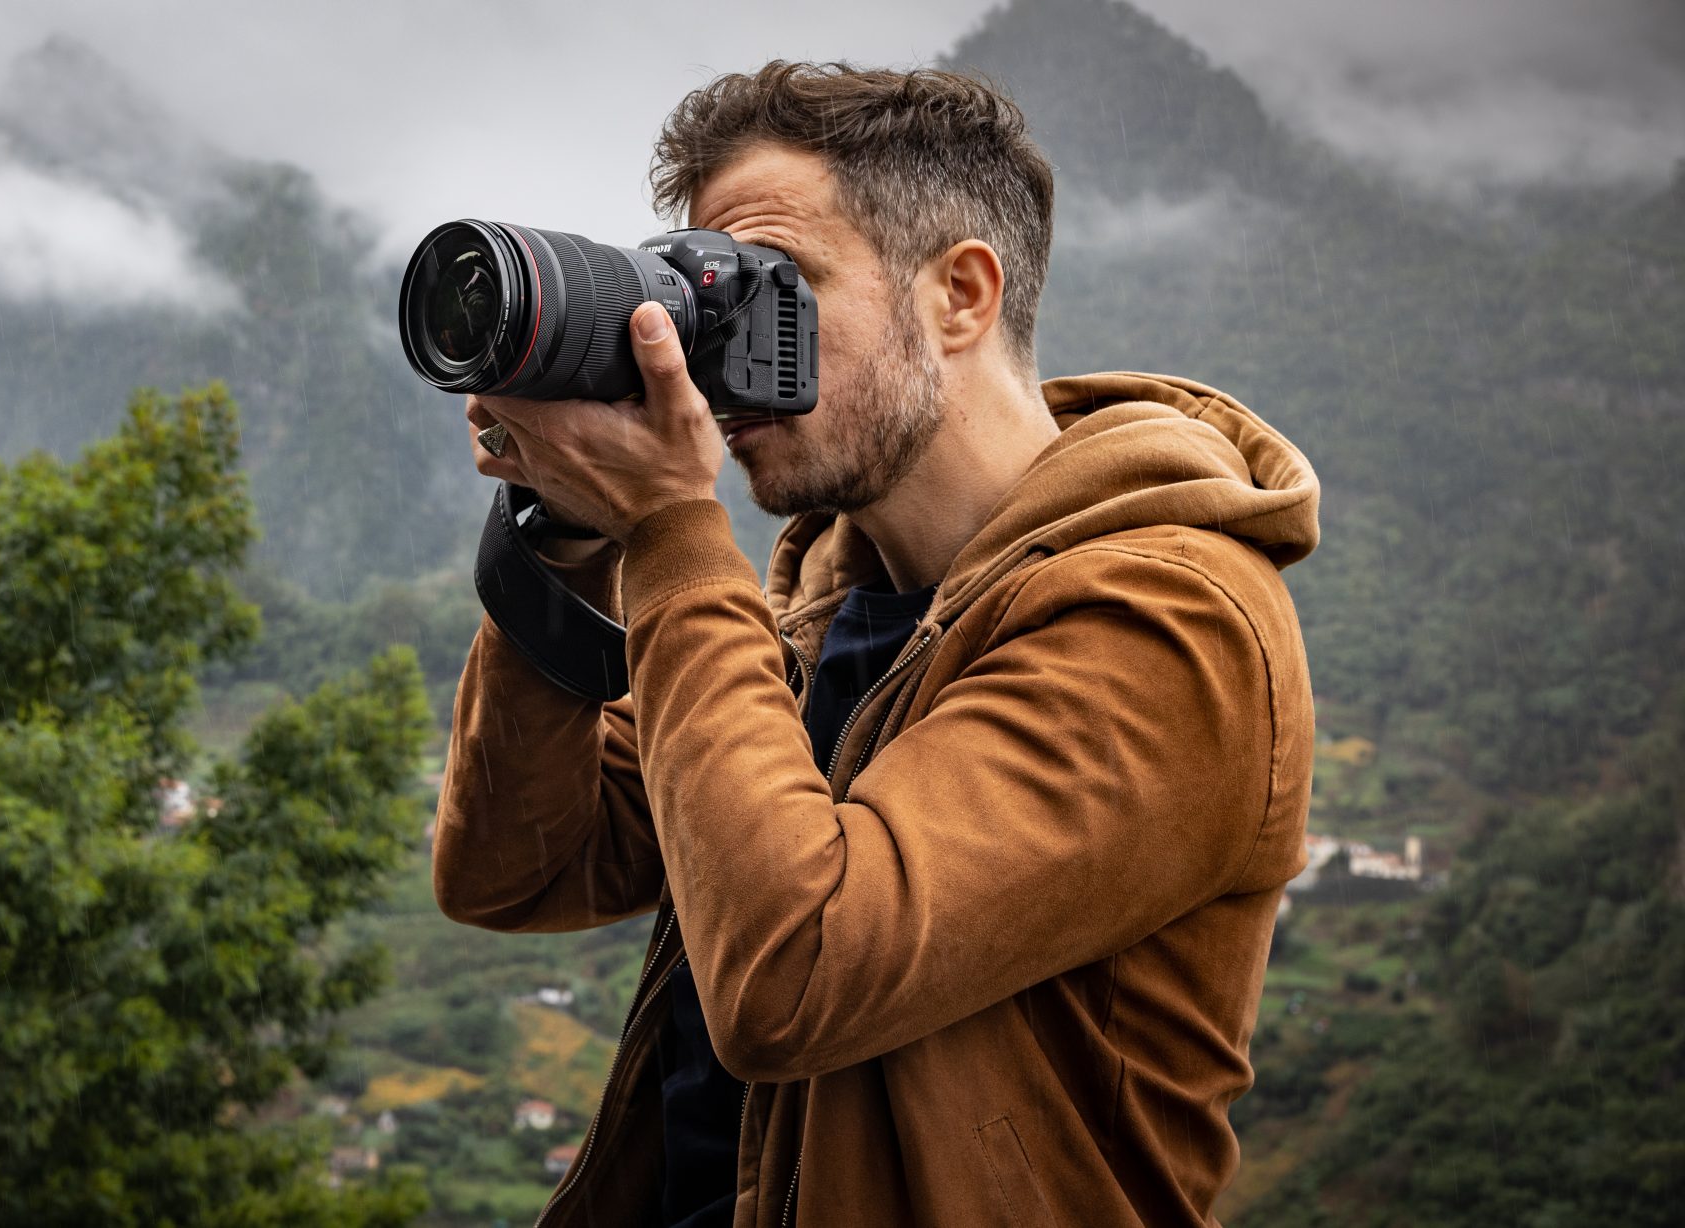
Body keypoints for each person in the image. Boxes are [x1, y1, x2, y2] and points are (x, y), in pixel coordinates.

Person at [430, 64, 1317, 1227]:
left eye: (775, 286)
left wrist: (667, 528)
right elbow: (516, 867)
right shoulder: (816, 607)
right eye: (708, 290)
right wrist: (562, 534)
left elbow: (791, 976)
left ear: (959, 293)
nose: (717, 351)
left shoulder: (1172, 621)